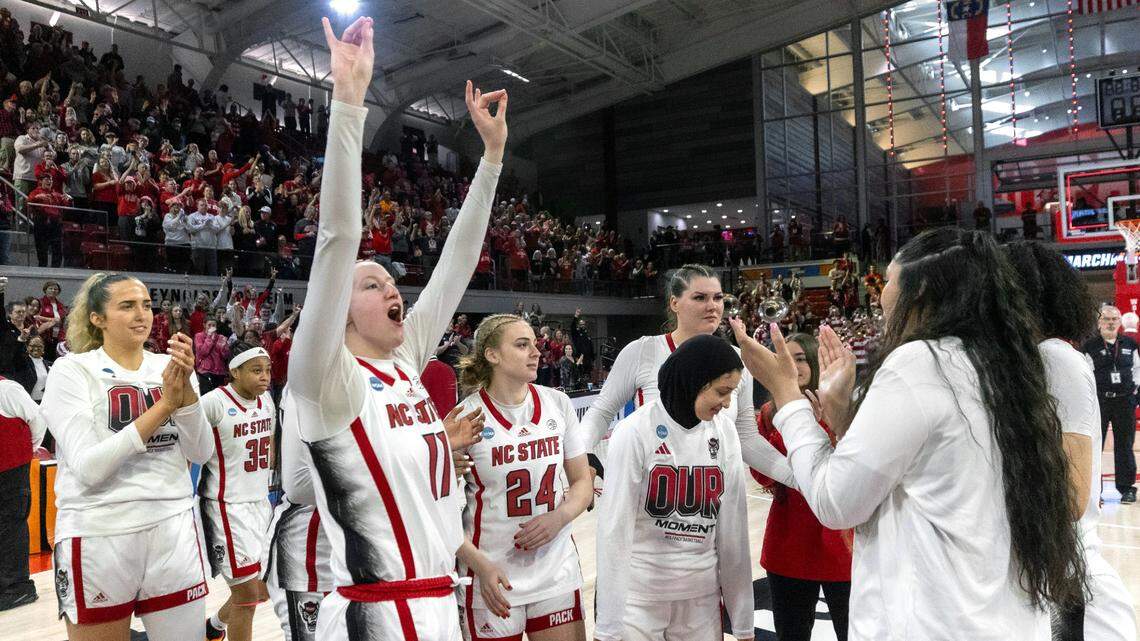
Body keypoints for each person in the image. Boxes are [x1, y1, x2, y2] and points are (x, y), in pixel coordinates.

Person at [730, 228, 1088, 640]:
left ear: (920, 298)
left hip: (931, 624)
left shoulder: (921, 362)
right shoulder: (1007, 367)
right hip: (1001, 620)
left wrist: (787, 396)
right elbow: (915, 475)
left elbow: (836, 503)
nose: (885, 313)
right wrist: (843, 414)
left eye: (889, 297)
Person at [282, 16, 508, 640]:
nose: (393, 291)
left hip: (439, 602)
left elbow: (457, 266)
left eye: (391, 282)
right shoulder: (328, 379)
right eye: (372, 284)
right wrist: (349, 105)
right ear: (336, 309)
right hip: (374, 611)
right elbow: (338, 239)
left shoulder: (405, 362)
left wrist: (491, 158)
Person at [40, 272, 213, 640]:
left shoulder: (170, 367)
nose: (142, 314)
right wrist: (165, 405)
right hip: (98, 531)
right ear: (97, 318)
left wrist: (186, 402)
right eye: (127, 306)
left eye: (147, 305)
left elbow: (201, 451)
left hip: (173, 527)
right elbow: (89, 467)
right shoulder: (72, 371)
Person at [1004, 242, 1137, 641]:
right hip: (1050, 570)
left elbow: (1073, 496)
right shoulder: (1037, 357)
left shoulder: (1054, 359)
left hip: (1068, 578)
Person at [594, 335, 754, 641]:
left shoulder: (724, 432)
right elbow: (614, 530)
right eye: (722, 391)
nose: (727, 403)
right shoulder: (635, 432)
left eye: (732, 393)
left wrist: (743, 622)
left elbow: (733, 531)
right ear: (695, 380)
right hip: (639, 600)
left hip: (701, 600)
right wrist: (608, 627)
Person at [579, 264, 791, 485]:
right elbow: (602, 412)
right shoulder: (642, 351)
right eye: (700, 298)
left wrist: (798, 478)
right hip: (650, 496)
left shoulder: (739, 359)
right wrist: (583, 454)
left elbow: (746, 438)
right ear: (674, 303)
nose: (712, 306)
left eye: (718, 298)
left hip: (713, 498)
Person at [453, 314, 594, 641]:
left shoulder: (557, 403)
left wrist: (559, 518)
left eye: (534, 343)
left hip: (556, 571)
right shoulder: (464, 418)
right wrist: (480, 566)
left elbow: (582, 482)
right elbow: (437, 513)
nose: (536, 352)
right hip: (491, 576)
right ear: (492, 354)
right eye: (522, 344)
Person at [750, 333, 851, 641]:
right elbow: (763, 476)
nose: (793, 366)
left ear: (814, 361)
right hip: (789, 546)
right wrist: (789, 416)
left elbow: (853, 467)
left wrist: (831, 421)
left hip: (842, 548)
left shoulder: (844, 403)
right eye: (786, 359)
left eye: (800, 358)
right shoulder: (769, 412)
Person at [199, 343, 276, 641]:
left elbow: (269, 446)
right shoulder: (213, 403)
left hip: (261, 503)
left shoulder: (267, 401)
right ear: (234, 371)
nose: (265, 377)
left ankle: (216, 625)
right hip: (226, 507)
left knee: (262, 591)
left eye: (267, 370)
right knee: (247, 596)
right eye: (256, 371)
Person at [1081, 305, 1139, 505]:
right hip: (1100, 401)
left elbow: (1137, 370)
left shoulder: (1130, 344)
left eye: (1115, 319)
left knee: (1125, 445)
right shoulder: (1089, 346)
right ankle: (1095, 490)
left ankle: (1126, 488)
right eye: (1106, 319)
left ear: (1120, 322)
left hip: (1124, 401)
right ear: (1099, 322)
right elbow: (1085, 374)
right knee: (1096, 445)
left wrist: (1135, 395)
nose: (1111, 322)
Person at [0, 375, 47, 611]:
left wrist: (28, 451)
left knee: (10, 525)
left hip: (10, 469)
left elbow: (38, 420)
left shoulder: (6, 389)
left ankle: (18, 587)